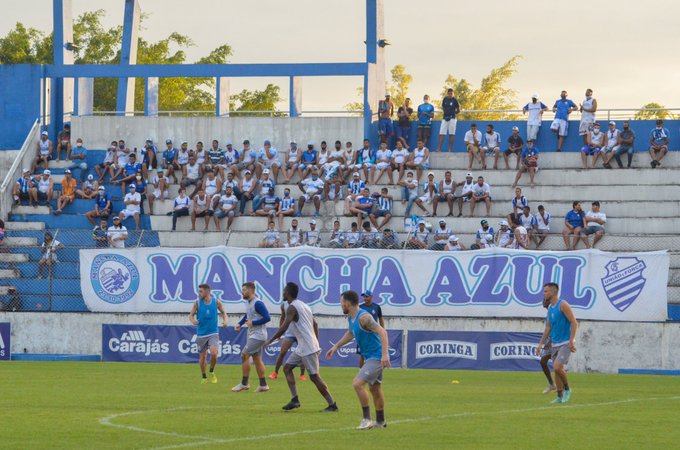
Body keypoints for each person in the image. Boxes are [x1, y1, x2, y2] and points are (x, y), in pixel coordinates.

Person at [265, 282, 339, 412]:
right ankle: (295, 400)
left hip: (307, 347)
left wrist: (271, 339)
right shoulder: (304, 306)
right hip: (304, 346)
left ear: (288, 293)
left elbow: (285, 325)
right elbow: (315, 324)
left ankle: (332, 404)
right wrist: (316, 340)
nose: (282, 293)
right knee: (287, 368)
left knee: (315, 377)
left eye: (284, 291)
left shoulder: (292, 308)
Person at [326, 289, 389, 429]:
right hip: (370, 357)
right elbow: (350, 333)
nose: (341, 305)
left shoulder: (364, 318)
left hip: (376, 357)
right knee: (375, 389)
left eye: (342, 303)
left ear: (347, 303)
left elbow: (382, 332)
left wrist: (385, 355)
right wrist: (336, 346)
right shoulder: (351, 318)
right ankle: (380, 421)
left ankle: (366, 420)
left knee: (357, 384)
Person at [537, 282, 578, 404]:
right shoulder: (550, 308)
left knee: (557, 367)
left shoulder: (563, 305)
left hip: (565, 342)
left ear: (553, 292)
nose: (543, 293)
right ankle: (559, 397)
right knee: (557, 370)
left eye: (545, 291)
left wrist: (571, 341)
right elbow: (548, 327)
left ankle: (567, 389)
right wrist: (541, 344)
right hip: (555, 343)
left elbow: (574, 322)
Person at [232, 282, 271, 393]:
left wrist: (253, 323)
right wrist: (240, 323)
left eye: (244, 290)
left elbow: (267, 317)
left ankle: (244, 383)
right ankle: (263, 385)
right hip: (253, 334)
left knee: (244, 355)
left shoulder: (258, 303)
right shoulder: (249, 303)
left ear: (250, 290)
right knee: (257, 359)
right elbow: (248, 315)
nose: (242, 292)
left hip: (258, 335)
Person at [188, 283, 228, 384]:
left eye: (201, 291)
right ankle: (204, 376)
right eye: (199, 291)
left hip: (213, 332)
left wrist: (226, 320)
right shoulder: (197, 303)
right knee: (203, 357)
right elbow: (191, 315)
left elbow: (224, 312)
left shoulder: (216, 302)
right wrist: (193, 321)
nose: (199, 293)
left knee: (214, 354)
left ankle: (211, 371)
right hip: (201, 334)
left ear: (207, 291)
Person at [268, 299, 307, 381]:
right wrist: (280, 331)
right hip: (289, 333)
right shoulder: (283, 305)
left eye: (285, 292)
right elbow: (282, 317)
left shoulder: (299, 305)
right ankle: (275, 373)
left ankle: (302, 374)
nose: (284, 294)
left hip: (299, 333)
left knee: (303, 353)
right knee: (282, 352)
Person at [538, 296, 556, 395]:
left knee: (557, 366)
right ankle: (552, 384)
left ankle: (562, 387)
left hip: (555, 340)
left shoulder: (553, 311)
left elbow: (555, 327)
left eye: (546, 300)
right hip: (550, 340)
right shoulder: (549, 312)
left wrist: (550, 341)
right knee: (543, 362)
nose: (543, 301)